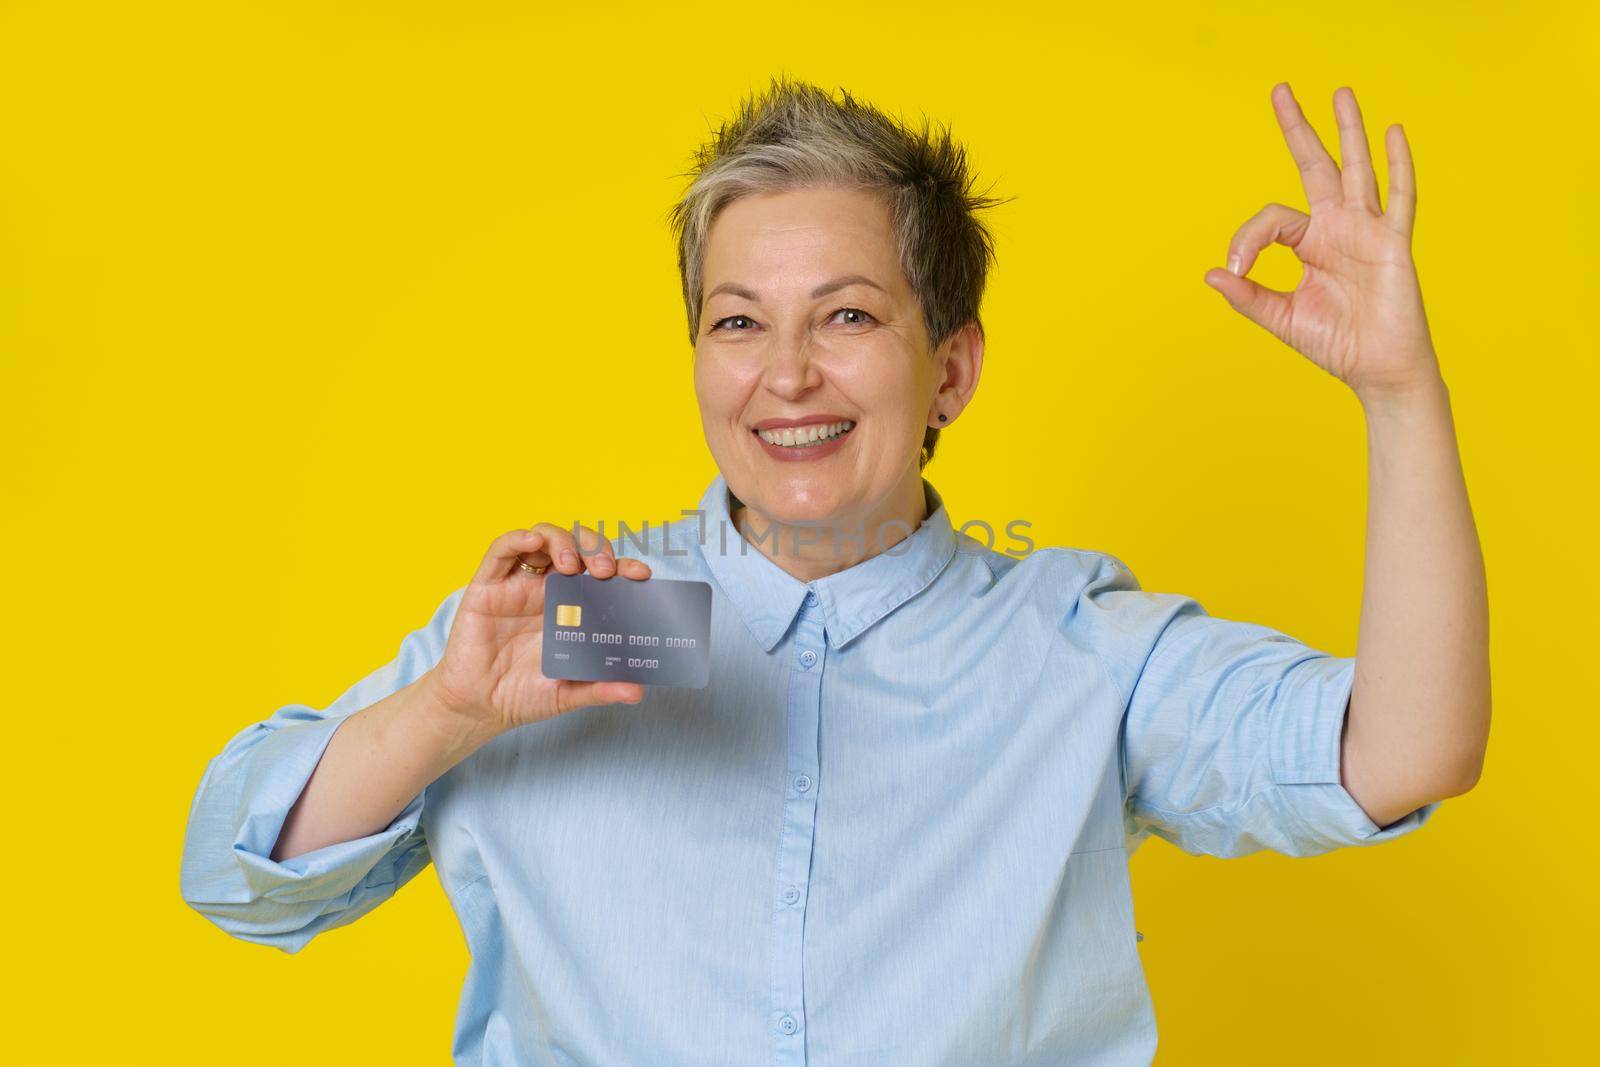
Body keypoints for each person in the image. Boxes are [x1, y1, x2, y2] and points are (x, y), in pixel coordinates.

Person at [179, 74, 1489, 1064]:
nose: (786, 376)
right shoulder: (552, 625)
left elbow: (1404, 753)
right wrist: (443, 716)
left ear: (952, 371)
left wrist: (1398, 390)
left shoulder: (1078, 644)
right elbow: (232, 872)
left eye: (848, 316)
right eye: (738, 321)